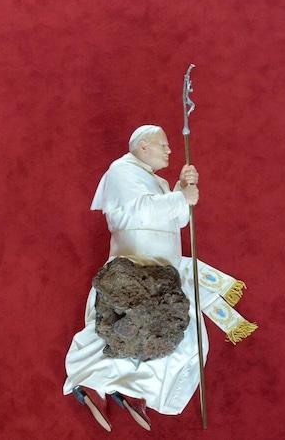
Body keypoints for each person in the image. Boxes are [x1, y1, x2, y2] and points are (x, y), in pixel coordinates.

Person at [63, 125, 257, 432]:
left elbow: (178, 219)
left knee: (183, 337)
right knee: (119, 328)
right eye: (163, 145)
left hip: (166, 271)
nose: (169, 151)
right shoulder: (121, 171)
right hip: (135, 266)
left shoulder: (159, 181)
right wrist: (181, 198)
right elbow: (142, 210)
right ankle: (90, 382)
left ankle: (135, 388)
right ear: (142, 146)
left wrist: (180, 190)